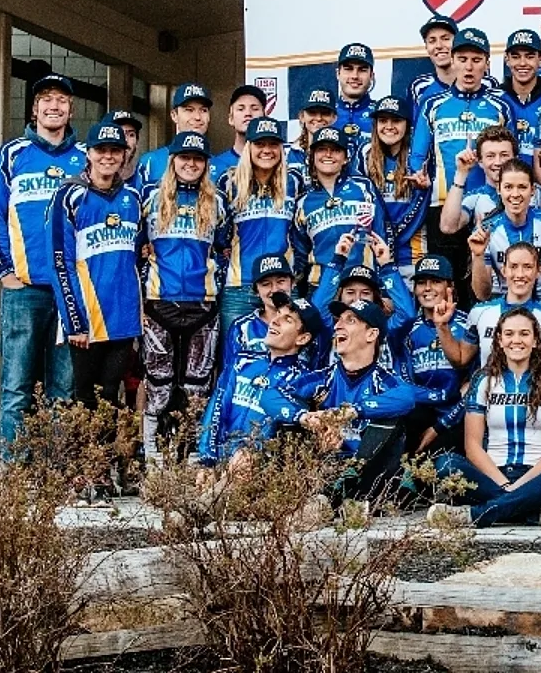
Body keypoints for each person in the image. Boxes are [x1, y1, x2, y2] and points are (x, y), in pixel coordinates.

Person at [0, 73, 88, 447]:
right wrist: (4, 272)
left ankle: (55, 468)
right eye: (46, 99)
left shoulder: (85, 159)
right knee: (17, 387)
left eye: (61, 100)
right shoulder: (12, 155)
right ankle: (15, 470)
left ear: (71, 109)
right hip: (25, 289)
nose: (54, 106)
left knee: (64, 389)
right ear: (34, 108)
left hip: (69, 293)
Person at [429, 307, 541, 528]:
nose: (516, 340)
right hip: (491, 476)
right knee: (445, 464)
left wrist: (521, 485)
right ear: (499, 340)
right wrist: (505, 485)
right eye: (509, 334)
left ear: (535, 341)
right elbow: (472, 446)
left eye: (524, 334)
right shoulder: (483, 380)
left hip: (538, 478)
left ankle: (475, 515)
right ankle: (532, 514)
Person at [137, 131, 230, 460]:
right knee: (158, 384)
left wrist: (215, 277)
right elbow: (136, 247)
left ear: (206, 164)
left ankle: (191, 455)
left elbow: (224, 247)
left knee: (197, 386)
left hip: (203, 303)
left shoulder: (218, 201)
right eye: (184, 157)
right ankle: (152, 457)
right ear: (172, 161)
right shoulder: (149, 197)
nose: (191, 164)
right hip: (159, 302)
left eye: (197, 159)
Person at [409, 28, 511, 303]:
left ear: (487, 64)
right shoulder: (432, 103)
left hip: (489, 205)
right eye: (463, 59)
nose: (469, 67)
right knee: (445, 287)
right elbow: (417, 154)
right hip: (444, 205)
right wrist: (419, 175)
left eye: (476, 60)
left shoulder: (500, 105)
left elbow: (511, 157)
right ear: (452, 61)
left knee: (485, 286)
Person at [50, 121, 144, 417]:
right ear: (88, 153)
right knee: (85, 400)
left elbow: (139, 254)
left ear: (124, 154)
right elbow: (60, 262)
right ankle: (84, 452)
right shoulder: (69, 195)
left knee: (111, 395)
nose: (108, 156)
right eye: (101, 150)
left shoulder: (133, 198)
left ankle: (108, 450)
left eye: (115, 150)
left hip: (124, 316)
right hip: (86, 316)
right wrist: (74, 321)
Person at [298, 298, 420, 504]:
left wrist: (350, 412)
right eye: (338, 320)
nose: (338, 326)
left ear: (371, 334)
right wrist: (306, 418)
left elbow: (407, 397)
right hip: (330, 466)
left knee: (391, 416)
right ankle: (337, 494)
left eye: (350, 320)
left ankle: (351, 489)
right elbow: (273, 394)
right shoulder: (323, 377)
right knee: (291, 414)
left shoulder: (385, 380)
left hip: (372, 474)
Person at [196, 295, 324, 467]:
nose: (275, 321)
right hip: (219, 458)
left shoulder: (302, 379)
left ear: (302, 338)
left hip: (258, 468)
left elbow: (284, 438)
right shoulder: (242, 361)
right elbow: (216, 410)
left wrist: (250, 455)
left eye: (287, 320)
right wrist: (206, 460)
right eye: (278, 314)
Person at [218, 116, 303, 341]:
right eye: (260, 144)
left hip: (283, 285)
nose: (267, 150)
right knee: (236, 354)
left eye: (273, 144)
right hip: (240, 287)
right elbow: (218, 234)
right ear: (249, 147)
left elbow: (301, 232)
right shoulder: (229, 182)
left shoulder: (294, 182)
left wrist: (297, 272)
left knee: (288, 350)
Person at [397, 255, 471, 453]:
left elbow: (476, 383)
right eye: (421, 283)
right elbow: (406, 383)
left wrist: (440, 426)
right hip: (422, 413)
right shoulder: (408, 331)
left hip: (460, 416)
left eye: (436, 281)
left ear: (450, 287)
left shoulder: (468, 325)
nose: (427, 288)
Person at [294, 125, 384, 285]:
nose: (328, 154)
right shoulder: (303, 201)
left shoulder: (363, 187)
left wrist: (384, 285)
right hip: (320, 284)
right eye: (322, 149)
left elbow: (382, 234)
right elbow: (299, 251)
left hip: (362, 282)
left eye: (335, 150)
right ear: (312, 156)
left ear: (346, 158)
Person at [468, 159, 541, 308]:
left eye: (522, 187)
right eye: (508, 187)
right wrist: (478, 256)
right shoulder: (486, 231)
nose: (515, 194)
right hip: (506, 311)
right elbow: (482, 294)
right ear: (499, 189)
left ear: (532, 190)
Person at [358, 95, 429, 280]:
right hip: (374, 249)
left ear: (407, 125)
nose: (389, 126)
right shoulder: (364, 154)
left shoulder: (418, 157)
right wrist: (382, 237)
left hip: (411, 252)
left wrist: (423, 189)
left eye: (396, 120)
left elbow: (422, 207)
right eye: (383, 120)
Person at [461, 241, 541, 366]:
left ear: (539, 271)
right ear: (503, 270)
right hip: (490, 379)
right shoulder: (479, 313)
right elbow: (460, 360)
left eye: (527, 267)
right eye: (513, 266)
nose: (520, 274)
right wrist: (442, 326)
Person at [439, 125, 521, 236]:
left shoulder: (534, 192)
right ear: (480, 161)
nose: (498, 162)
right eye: (490, 156)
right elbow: (448, 227)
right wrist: (461, 173)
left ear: (515, 158)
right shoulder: (475, 198)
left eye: (504, 155)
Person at [500, 29, 541, 164]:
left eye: (529, 57)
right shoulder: (494, 101)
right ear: (507, 60)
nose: (522, 63)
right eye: (516, 57)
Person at [137, 82, 215, 188]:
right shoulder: (151, 162)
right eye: (189, 110)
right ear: (174, 115)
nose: (197, 117)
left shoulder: (220, 165)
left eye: (203, 110)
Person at [333, 43, 377, 160]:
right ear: (338, 73)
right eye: (348, 69)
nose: (355, 76)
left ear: (371, 76)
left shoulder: (382, 115)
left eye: (362, 70)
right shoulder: (323, 115)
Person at [214, 85, 268, 179]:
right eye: (241, 109)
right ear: (231, 118)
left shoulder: (273, 162)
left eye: (255, 109)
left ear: (265, 117)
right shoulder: (216, 165)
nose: (248, 114)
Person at [411, 16, 462, 111]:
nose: (439, 46)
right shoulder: (419, 86)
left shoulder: (483, 83)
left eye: (445, 39)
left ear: (457, 43)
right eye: (432, 41)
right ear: (426, 47)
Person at [287, 87, 339, 174]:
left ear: (334, 118)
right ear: (302, 117)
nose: (319, 118)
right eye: (312, 112)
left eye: (325, 113)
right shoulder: (289, 152)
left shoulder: (344, 151)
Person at [106, 109, 144, 193]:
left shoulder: (145, 178)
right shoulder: (87, 183)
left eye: (131, 135)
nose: (125, 140)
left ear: (137, 141)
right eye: (119, 134)